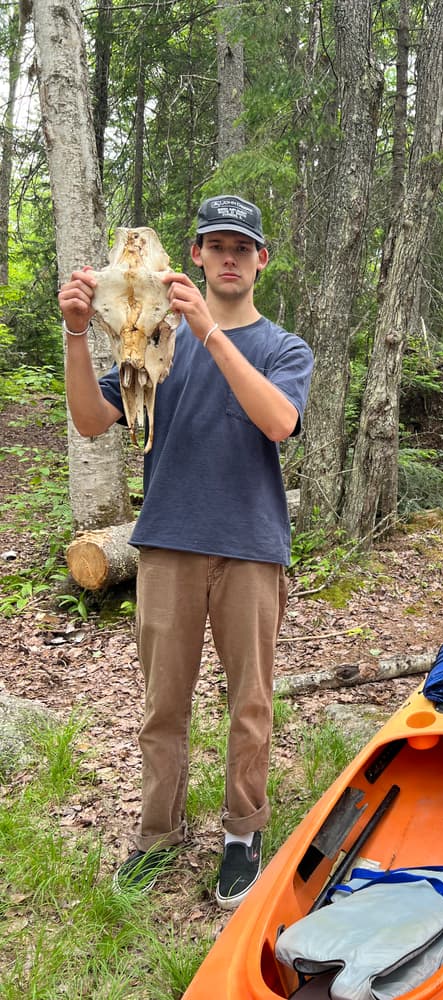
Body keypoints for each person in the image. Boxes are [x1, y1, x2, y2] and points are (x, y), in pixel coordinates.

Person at [58, 195, 314, 910]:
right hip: (167, 542)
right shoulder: (152, 338)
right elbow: (90, 419)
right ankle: (157, 833)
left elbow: (279, 420)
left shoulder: (284, 348)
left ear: (261, 260)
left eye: (243, 247)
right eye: (216, 245)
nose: (230, 258)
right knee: (162, 703)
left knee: (250, 701)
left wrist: (209, 332)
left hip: (252, 547)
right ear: (195, 255)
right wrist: (78, 335)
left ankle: (242, 833)